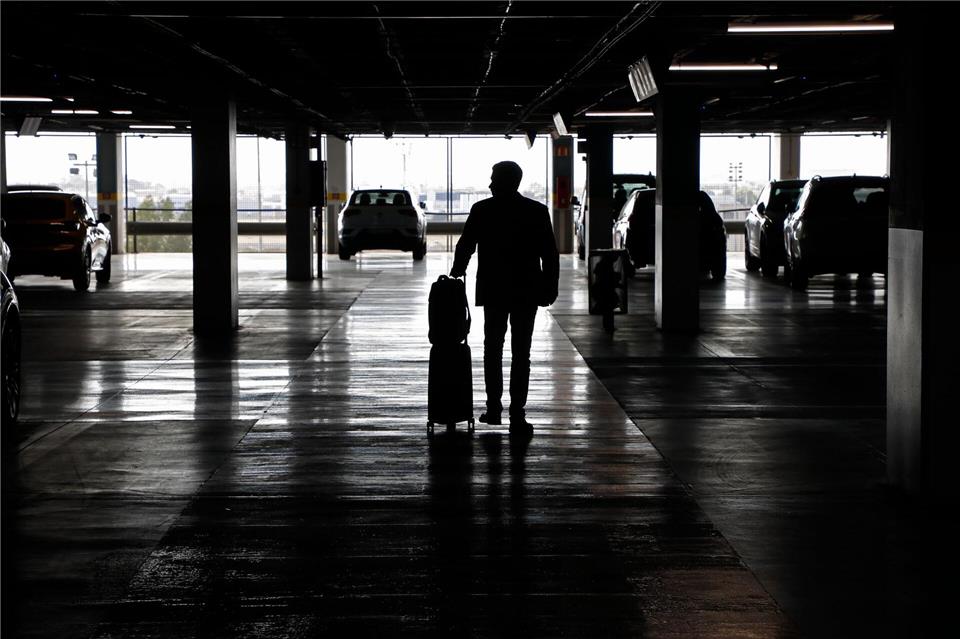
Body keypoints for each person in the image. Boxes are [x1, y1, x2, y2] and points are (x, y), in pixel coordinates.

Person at [450, 161, 559, 436]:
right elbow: (550, 254)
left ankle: (494, 408)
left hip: (494, 289)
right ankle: (517, 414)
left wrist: (456, 272)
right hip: (526, 290)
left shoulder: (483, 210)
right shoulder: (536, 211)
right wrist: (550, 286)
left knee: (493, 349)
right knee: (522, 352)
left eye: (493, 178)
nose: (489, 184)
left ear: (504, 181)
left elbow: (466, 245)